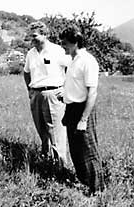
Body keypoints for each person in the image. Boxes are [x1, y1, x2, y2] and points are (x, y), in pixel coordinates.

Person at [59, 26, 104, 194]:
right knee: (76, 150)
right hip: (71, 108)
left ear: (75, 42)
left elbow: (92, 93)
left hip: (83, 109)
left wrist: (84, 119)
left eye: (65, 43)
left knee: (89, 149)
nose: (62, 46)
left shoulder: (87, 61)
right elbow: (75, 87)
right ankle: (85, 182)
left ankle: (97, 190)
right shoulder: (73, 60)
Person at [23, 21, 70, 167]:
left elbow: (72, 69)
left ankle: (61, 169)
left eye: (35, 35)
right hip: (36, 94)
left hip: (53, 94)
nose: (32, 39)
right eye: (31, 36)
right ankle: (46, 163)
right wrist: (30, 91)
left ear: (45, 34)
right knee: (42, 131)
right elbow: (26, 73)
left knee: (55, 133)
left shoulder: (57, 51)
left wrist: (67, 89)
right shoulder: (31, 53)